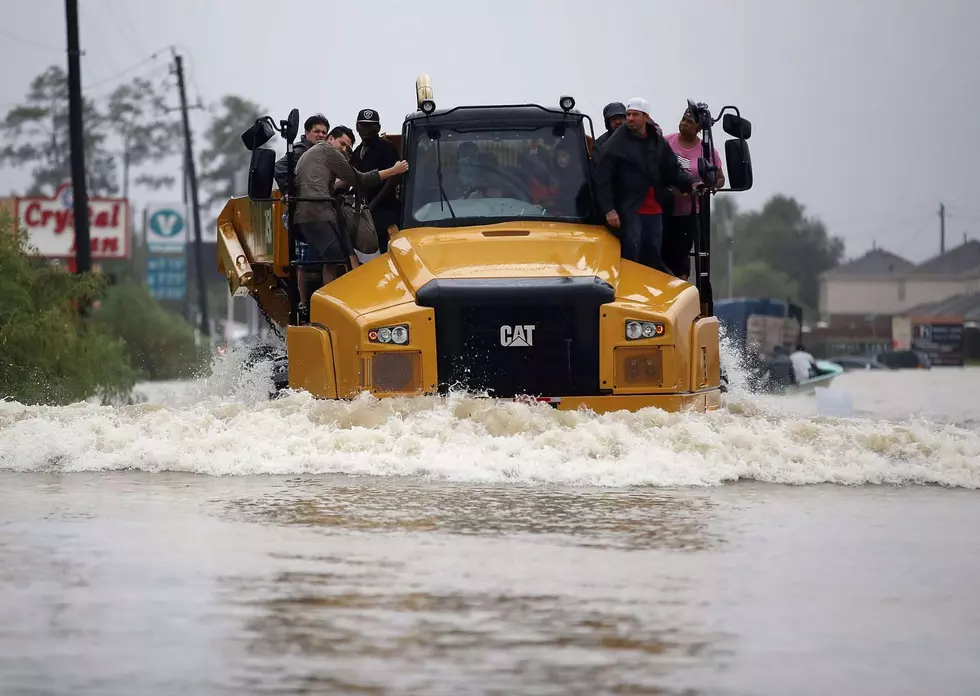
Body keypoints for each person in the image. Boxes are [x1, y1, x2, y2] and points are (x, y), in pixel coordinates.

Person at [293, 126, 409, 321]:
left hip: (309, 213)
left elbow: (331, 184)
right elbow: (360, 179)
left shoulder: (313, 153)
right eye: (342, 143)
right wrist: (394, 170)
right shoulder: (328, 151)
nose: (344, 149)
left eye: (348, 146)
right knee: (340, 260)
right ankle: (336, 310)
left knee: (335, 259)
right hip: (319, 213)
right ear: (330, 139)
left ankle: (328, 307)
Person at [593, 97, 694, 271]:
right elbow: (602, 178)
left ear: (645, 117)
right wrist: (609, 209)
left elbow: (671, 168)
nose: (630, 118)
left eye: (634, 115)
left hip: (655, 210)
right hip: (629, 210)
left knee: (653, 255)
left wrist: (689, 184)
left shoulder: (657, 141)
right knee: (632, 254)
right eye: (629, 114)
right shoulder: (613, 144)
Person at [662, 108, 725, 279]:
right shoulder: (666, 142)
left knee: (682, 258)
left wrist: (708, 187)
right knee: (661, 255)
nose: (684, 124)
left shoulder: (707, 150)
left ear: (699, 128)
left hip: (690, 213)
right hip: (664, 209)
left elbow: (720, 179)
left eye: (689, 122)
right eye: (683, 119)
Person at [348, 108, 402, 253]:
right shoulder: (358, 151)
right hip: (365, 212)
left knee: (390, 251)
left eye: (371, 125)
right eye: (362, 125)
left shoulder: (386, 147)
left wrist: (374, 204)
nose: (366, 129)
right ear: (357, 127)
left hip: (385, 210)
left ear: (378, 128)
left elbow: (395, 177)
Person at [274, 113, 329, 192]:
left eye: (324, 133)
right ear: (307, 133)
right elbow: (279, 167)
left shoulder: (321, 152)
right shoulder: (302, 150)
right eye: (316, 131)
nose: (321, 135)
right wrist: (290, 191)